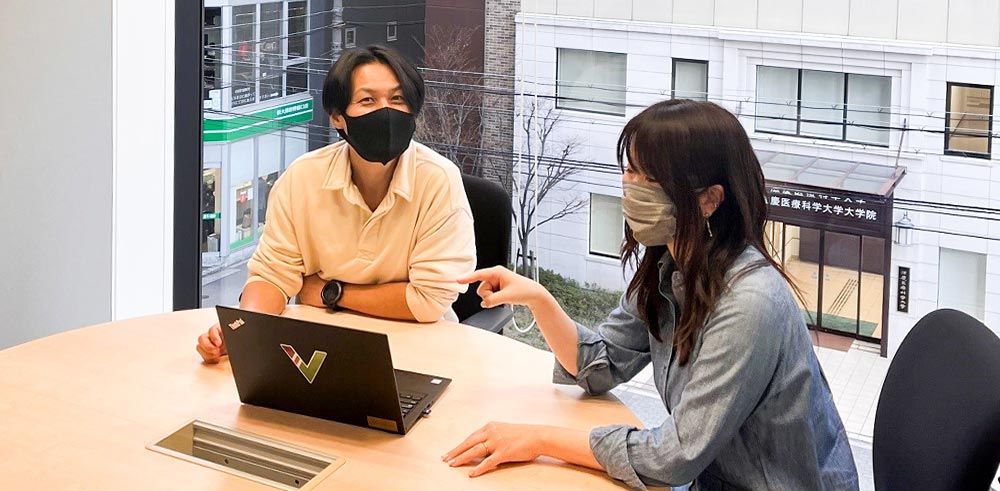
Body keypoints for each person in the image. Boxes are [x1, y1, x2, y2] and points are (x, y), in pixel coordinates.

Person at [442, 100, 859, 490]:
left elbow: (674, 455)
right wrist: (538, 298)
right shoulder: (669, 267)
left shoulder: (749, 302)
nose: (631, 187)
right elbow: (597, 365)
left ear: (711, 199)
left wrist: (538, 440)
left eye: (651, 178)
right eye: (630, 170)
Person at [197, 45, 476, 363]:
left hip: (420, 353)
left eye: (397, 99)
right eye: (368, 100)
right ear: (337, 119)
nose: (385, 112)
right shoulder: (303, 177)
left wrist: (331, 292)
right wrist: (243, 330)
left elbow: (428, 301)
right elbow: (272, 276)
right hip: (320, 350)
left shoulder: (439, 180)